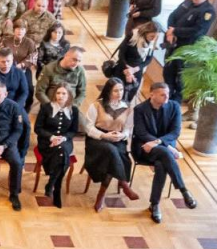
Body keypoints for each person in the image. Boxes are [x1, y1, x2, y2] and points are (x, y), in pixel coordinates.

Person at [132, 82, 198, 222]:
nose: (167, 96)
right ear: (152, 94)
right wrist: (163, 145)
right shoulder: (140, 109)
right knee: (165, 154)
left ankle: (154, 204)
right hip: (145, 147)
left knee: (161, 164)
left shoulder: (174, 107)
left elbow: (175, 132)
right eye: (163, 94)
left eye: (167, 94)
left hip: (161, 148)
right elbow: (141, 133)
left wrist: (158, 142)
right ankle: (183, 190)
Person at [84, 78, 139, 211]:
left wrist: (122, 135)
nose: (119, 93)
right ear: (108, 91)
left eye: (121, 90)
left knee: (112, 156)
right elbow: (88, 127)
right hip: (97, 139)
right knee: (111, 151)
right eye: (115, 90)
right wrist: (104, 135)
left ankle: (101, 194)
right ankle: (124, 184)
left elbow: (128, 129)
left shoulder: (128, 108)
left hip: (117, 139)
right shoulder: (97, 105)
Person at [164, 0, 216, 105]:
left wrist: (175, 31)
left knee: (181, 79)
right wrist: (170, 32)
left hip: (187, 50)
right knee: (168, 73)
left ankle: (175, 104)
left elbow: (197, 31)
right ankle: (166, 99)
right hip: (173, 44)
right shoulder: (187, 3)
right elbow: (172, 16)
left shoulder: (208, 11)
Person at [110, 21, 161, 103]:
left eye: (156, 37)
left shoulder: (152, 43)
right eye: (152, 36)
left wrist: (135, 69)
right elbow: (121, 54)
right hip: (123, 69)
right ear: (146, 32)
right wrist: (128, 69)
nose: (153, 39)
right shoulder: (132, 36)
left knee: (130, 95)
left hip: (137, 71)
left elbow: (148, 59)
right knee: (116, 93)